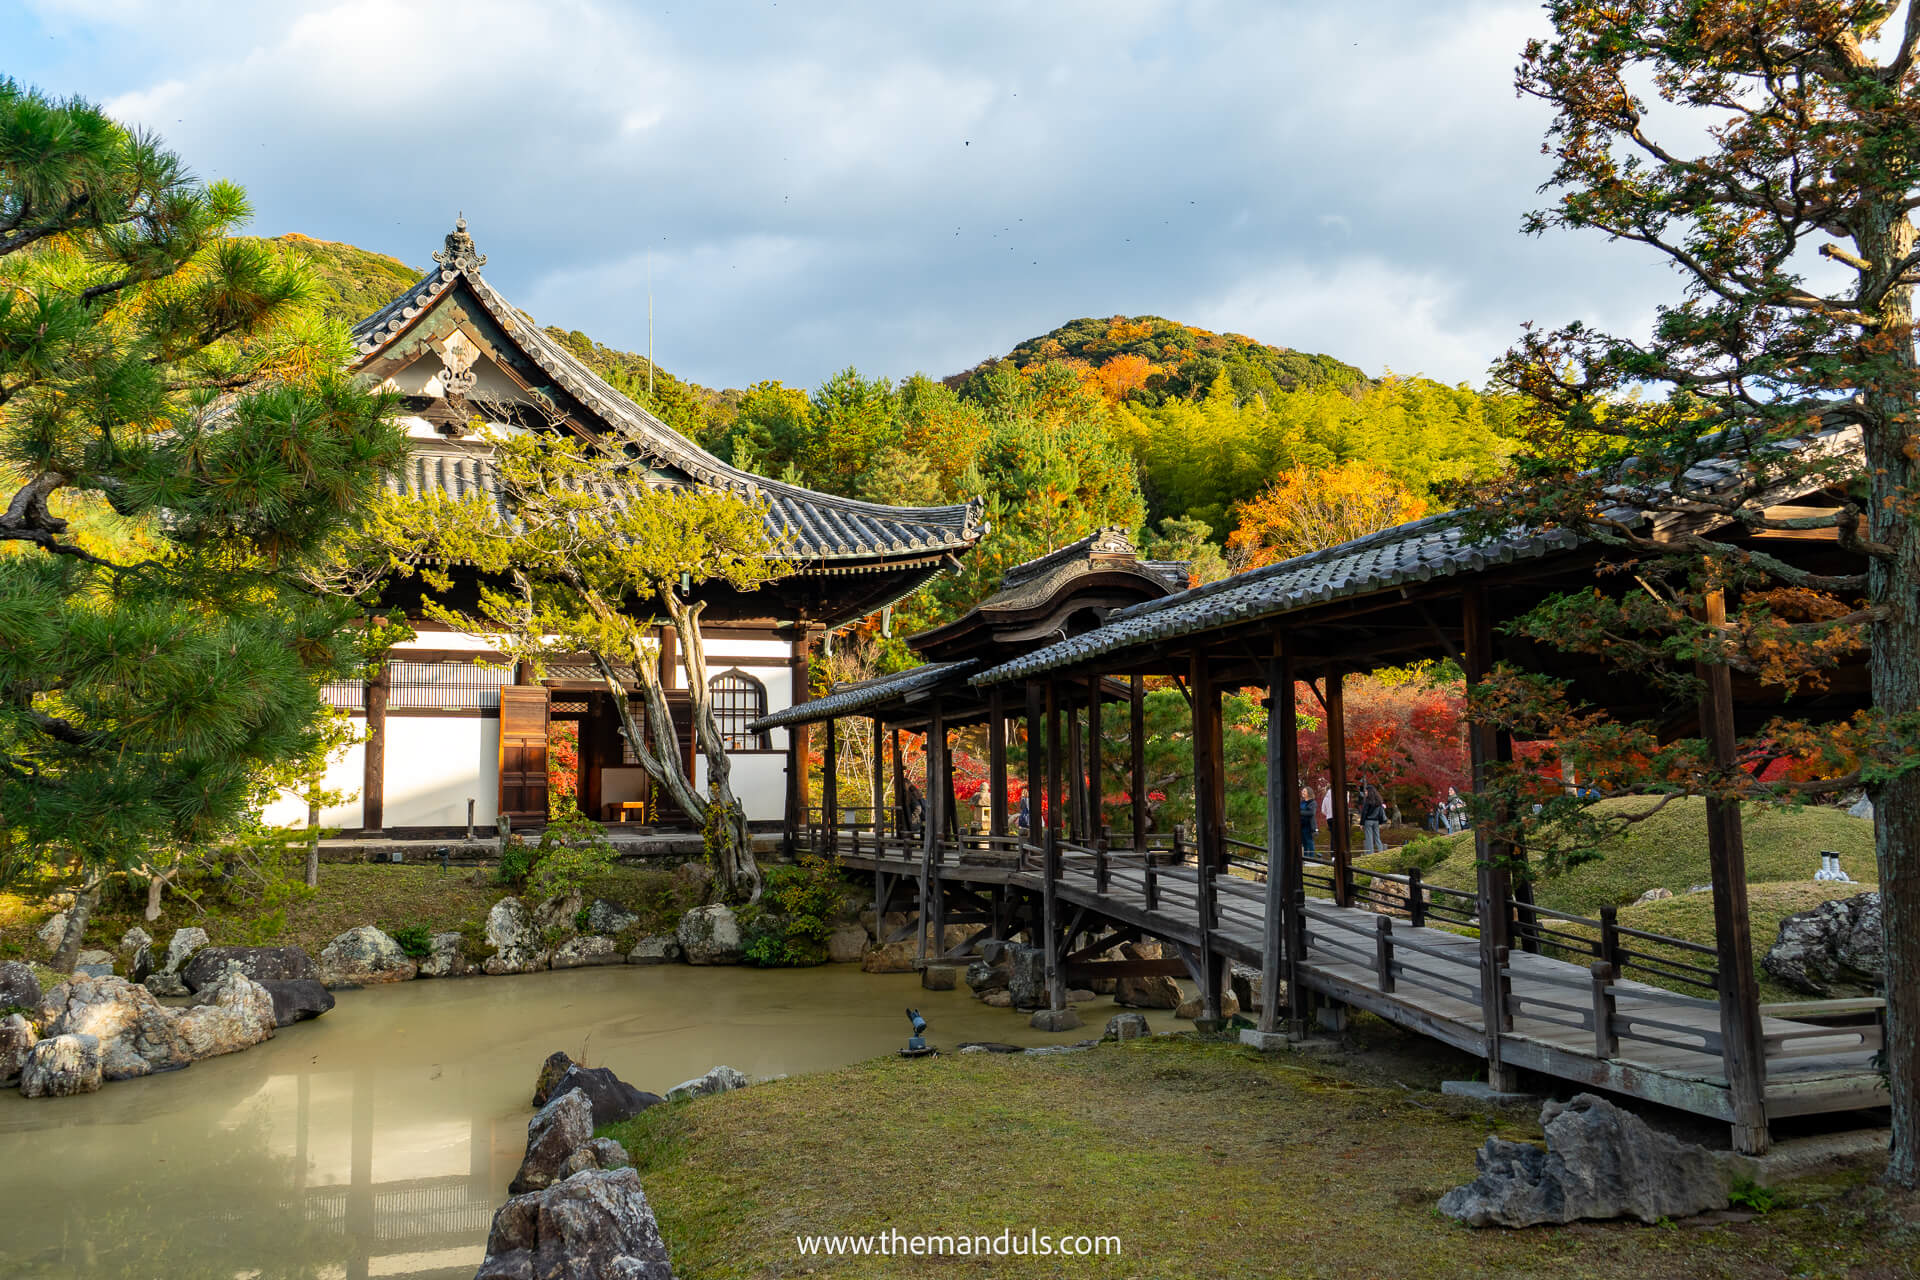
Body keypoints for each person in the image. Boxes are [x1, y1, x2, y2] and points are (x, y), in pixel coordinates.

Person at [1360, 783, 1388, 855]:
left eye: (1366, 791)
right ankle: (1381, 852)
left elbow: (1364, 812)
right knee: (1377, 837)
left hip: (1368, 821)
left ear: (1369, 791)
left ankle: (1370, 854)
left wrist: (1361, 823)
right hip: (1376, 821)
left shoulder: (1367, 800)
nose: (1365, 793)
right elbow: (1380, 812)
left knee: (1369, 838)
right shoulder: (1379, 800)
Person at [1298, 785, 1317, 856]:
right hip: (1301, 825)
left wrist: (1300, 812)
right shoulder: (1302, 802)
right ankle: (1305, 858)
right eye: (1302, 791)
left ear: (1309, 793)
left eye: (1304, 791)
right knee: (1304, 843)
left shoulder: (1313, 802)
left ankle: (1311, 858)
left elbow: (1311, 813)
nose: (1302, 792)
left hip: (1309, 826)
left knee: (1309, 842)